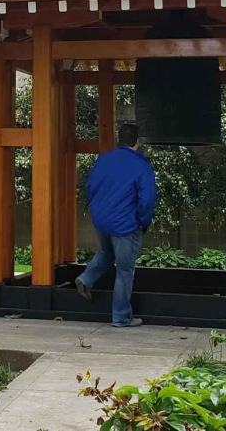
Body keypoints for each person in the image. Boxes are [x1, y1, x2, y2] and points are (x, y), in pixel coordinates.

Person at [74, 121, 157, 327]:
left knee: (107, 252)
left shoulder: (103, 160)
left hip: (102, 221)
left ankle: (86, 278)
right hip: (125, 225)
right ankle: (121, 317)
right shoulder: (141, 166)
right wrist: (142, 222)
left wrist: (99, 211)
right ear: (137, 142)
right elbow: (147, 200)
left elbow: (90, 187)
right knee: (125, 270)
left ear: (120, 140)